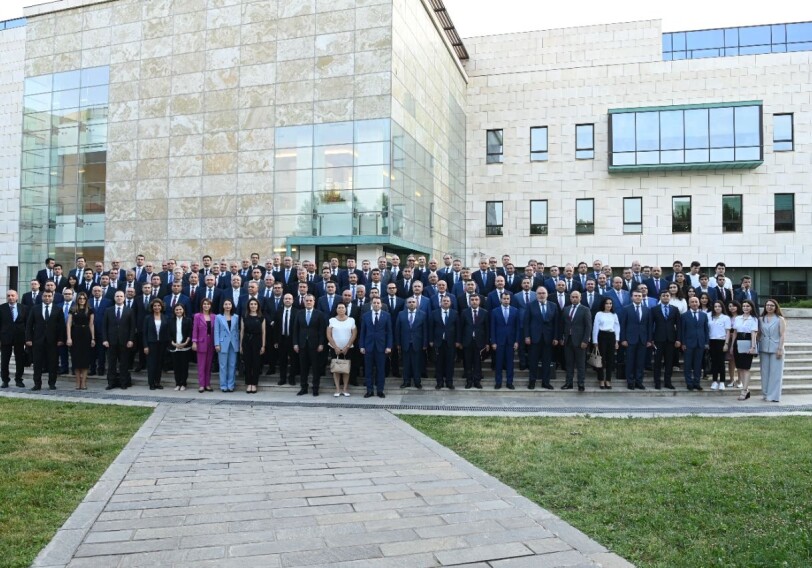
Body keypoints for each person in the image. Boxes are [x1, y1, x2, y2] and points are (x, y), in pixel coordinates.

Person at [25, 290, 66, 390]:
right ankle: (37, 384)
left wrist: (61, 339)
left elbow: (61, 326)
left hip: (53, 341)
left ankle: (52, 383)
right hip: (37, 341)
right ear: (42, 297)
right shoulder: (35, 308)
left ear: (52, 297)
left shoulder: (58, 309)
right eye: (45, 296)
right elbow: (29, 325)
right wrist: (28, 339)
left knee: (52, 363)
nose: (47, 298)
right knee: (37, 363)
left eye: (49, 296)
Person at [293, 294, 327, 396]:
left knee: (316, 368)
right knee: (303, 368)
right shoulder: (299, 313)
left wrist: (321, 344)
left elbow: (322, 330)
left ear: (314, 302)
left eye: (310, 301)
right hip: (302, 344)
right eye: (306, 301)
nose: (308, 302)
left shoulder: (319, 314)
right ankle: (304, 387)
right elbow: (295, 330)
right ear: (304, 302)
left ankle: (315, 388)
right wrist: (295, 343)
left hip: (315, 345)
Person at [359, 297, 393, 398]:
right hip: (368, 346)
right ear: (371, 304)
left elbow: (389, 332)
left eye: (378, 303)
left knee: (380, 370)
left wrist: (389, 346)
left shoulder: (386, 315)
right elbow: (363, 332)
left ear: (381, 304)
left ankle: (380, 390)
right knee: (368, 370)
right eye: (374, 303)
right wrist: (361, 346)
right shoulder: (366, 316)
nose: (376, 304)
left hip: (381, 347)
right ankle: (369, 391)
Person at [102, 291, 136, 390]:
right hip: (111, 342)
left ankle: (123, 382)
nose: (119, 298)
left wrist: (131, 340)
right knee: (111, 363)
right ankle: (111, 383)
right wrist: (105, 339)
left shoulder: (129, 311)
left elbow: (132, 327)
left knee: (124, 363)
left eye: (121, 296)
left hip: (125, 342)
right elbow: (104, 326)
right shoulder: (108, 310)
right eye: (117, 296)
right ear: (114, 297)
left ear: (124, 298)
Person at [620, 290, 652, 390]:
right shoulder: (626, 309)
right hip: (630, 339)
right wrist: (623, 339)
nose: (638, 297)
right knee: (630, 361)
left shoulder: (647, 309)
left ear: (642, 297)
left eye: (639, 296)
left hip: (643, 339)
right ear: (632, 297)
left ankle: (639, 381)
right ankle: (630, 382)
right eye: (636, 296)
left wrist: (649, 340)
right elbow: (623, 325)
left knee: (640, 362)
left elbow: (649, 326)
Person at [395, 297, 429, 389]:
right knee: (406, 364)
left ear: (417, 304)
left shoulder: (422, 314)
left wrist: (425, 343)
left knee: (417, 364)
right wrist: (398, 343)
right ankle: (406, 381)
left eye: (413, 302)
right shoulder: (401, 314)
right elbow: (398, 330)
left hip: (417, 343)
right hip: (405, 343)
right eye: (409, 302)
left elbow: (425, 330)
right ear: (406, 304)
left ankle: (417, 382)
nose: (411, 303)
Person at [561, 291, 592, 391]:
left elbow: (588, 326)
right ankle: (569, 383)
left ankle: (581, 384)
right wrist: (562, 337)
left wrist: (585, 340)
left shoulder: (585, 309)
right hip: (568, 340)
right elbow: (563, 325)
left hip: (580, 341)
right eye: (572, 297)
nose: (574, 299)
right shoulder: (566, 309)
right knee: (569, 364)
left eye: (576, 297)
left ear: (580, 298)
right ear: (570, 298)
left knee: (580, 364)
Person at [490, 292, 521, 389]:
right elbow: (492, 328)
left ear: (510, 299)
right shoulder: (495, 311)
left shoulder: (515, 311)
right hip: (499, 341)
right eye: (504, 298)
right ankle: (498, 382)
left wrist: (517, 341)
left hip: (511, 341)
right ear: (501, 299)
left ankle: (509, 382)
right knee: (498, 363)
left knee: (510, 363)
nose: (506, 300)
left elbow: (518, 328)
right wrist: (493, 342)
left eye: (508, 298)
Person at [759, 299, 786, 403]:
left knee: (776, 373)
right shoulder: (761, 319)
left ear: (776, 307)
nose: (769, 307)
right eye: (767, 305)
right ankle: (765, 394)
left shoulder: (780, 319)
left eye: (772, 305)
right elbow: (758, 334)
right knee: (764, 372)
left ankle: (774, 396)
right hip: (764, 347)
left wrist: (780, 348)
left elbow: (782, 334)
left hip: (776, 348)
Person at [429, 295, 459, 390]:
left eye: (447, 301)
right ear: (440, 302)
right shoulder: (434, 313)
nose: (445, 302)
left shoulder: (455, 313)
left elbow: (458, 328)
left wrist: (458, 341)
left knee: (450, 363)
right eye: (444, 301)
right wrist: (430, 340)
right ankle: (439, 382)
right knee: (439, 363)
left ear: (450, 303)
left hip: (451, 342)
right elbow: (431, 328)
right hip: (438, 342)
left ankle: (449, 382)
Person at [66, 292, 94, 390]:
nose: (82, 300)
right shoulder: (73, 309)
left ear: (86, 300)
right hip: (75, 334)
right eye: (80, 298)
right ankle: (78, 382)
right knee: (76, 360)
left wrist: (93, 338)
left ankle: (84, 383)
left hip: (86, 334)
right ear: (77, 299)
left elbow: (91, 325)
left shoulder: (90, 310)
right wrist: (69, 338)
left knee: (85, 360)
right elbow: (69, 324)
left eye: (84, 298)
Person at [327, 302, 357, 397]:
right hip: (334, 348)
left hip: (347, 349)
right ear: (336, 309)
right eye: (339, 307)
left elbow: (354, 334)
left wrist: (347, 346)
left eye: (343, 307)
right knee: (336, 369)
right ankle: (337, 389)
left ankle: (345, 389)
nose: (341, 309)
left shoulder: (351, 320)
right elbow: (328, 334)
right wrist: (335, 347)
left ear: (345, 309)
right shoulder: (332, 320)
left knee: (345, 369)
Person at [0, 290, 29, 388]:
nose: (10, 297)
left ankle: (19, 379)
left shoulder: (24, 308)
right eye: (8, 296)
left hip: (20, 338)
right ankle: (5, 380)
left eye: (12, 295)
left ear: (17, 297)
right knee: (4, 360)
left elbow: (27, 324)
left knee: (19, 360)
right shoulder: (2, 308)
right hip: (5, 338)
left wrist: (27, 338)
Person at [733, 299, 759, 401]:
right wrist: (732, 346)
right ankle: (746, 389)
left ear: (751, 307)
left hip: (748, 341)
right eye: (744, 306)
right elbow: (735, 332)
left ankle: (744, 390)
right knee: (740, 367)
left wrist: (753, 347)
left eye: (748, 306)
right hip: (738, 342)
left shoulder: (754, 319)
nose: (745, 308)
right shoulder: (738, 318)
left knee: (746, 367)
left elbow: (753, 333)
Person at [681, 296, 709, 391]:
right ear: (689, 304)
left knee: (698, 364)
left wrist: (706, 342)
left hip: (700, 343)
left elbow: (706, 330)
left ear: (699, 303)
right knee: (688, 364)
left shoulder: (703, 315)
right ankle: (689, 383)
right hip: (688, 343)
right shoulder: (684, 315)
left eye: (696, 302)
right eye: (692, 302)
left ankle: (697, 382)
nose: (694, 303)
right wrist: (683, 343)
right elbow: (682, 331)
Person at [592, 297, 619, 389]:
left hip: (611, 336)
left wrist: (617, 341)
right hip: (601, 336)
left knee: (610, 359)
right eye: (607, 303)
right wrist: (595, 341)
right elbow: (595, 328)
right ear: (603, 304)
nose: (609, 305)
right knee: (601, 360)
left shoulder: (614, 314)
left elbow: (617, 327)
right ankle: (601, 380)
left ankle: (608, 380)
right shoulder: (599, 314)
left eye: (610, 303)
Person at [214, 299, 240, 392]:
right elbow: (216, 331)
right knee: (223, 365)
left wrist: (239, 344)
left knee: (232, 365)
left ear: (232, 306)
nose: (228, 306)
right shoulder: (218, 317)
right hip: (222, 343)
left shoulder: (236, 317)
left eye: (229, 304)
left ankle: (231, 385)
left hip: (233, 343)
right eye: (226, 304)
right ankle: (223, 385)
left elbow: (237, 331)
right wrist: (217, 344)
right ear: (223, 306)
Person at [240, 297, 265, 394]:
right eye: (251, 304)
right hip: (246, 341)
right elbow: (241, 332)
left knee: (256, 363)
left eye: (255, 304)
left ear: (258, 306)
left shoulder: (261, 317)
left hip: (257, 341)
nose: (253, 306)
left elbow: (263, 332)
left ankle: (254, 384)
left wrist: (263, 346)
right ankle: (248, 383)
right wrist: (240, 345)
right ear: (248, 306)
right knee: (247, 363)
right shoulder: (244, 317)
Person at [143, 298, 168, 390]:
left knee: (159, 364)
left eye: (158, 306)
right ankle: (151, 383)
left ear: (161, 307)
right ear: (152, 307)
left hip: (162, 344)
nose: (157, 307)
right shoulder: (147, 318)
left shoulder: (165, 317)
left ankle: (157, 382)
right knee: (151, 364)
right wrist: (145, 346)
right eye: (155, 306)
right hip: (151, 344)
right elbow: (144, 333)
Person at [192, 297, 216, 393]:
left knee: (209, 364)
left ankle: (208, 384)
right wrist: (194, 342)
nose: (206, 306)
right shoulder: (197, 316)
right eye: (204, 304)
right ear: (202, 305)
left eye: (208, 304)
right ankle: (201, 385)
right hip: (201, 342)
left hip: (211, 342)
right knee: (201, 365)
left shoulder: (215, 316)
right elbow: (194, 330)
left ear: (210, 305)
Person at [707, 300, 732, 391]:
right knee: (714, 362)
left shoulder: (726, 318)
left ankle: (722, 382)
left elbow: (728, 332)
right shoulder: (709, 316)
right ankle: (714, 381)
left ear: (722, 307)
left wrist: (726, 344)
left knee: (721, 362)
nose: (717, 308)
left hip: (722, 341)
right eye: (715, 306)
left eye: (719, 306)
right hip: (711, 341)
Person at [167, 303, 192, 391]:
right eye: (177, 309)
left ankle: (183, 384)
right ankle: (178, 383)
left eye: (180, 309)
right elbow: (168, 334)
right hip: (174, 347)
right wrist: (174, 344)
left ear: (183, 310)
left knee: (184, 366)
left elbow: (190, 333)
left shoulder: (188, 320)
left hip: (185, 347)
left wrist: (185, 343)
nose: (178, 311)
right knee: (176, 367)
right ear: (174, 311)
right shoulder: (170, 321)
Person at [726, 301, 742, 388]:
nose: (732, 308)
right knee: (731, 361)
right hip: (730, 341)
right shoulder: (727, 317)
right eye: (730, 306)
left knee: (739, 361)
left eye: (734, 306)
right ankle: (732, 379)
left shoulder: (741, 317)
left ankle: (740, 380)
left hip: (739, 340)